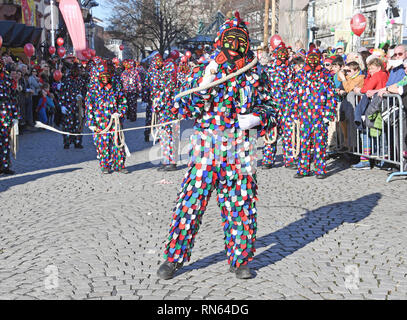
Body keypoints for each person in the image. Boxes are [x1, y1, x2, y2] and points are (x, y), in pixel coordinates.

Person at [157, 11, 276, 280]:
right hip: (206, 148)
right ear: (220, 41)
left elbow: (272, 106)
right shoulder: (204, 68)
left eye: (240, 40)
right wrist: (204, 83)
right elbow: (181, 104)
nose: (234, 46)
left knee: (241, 204)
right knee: (190, 203)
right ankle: (174, 257)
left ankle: (240, 258)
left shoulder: (256, 72)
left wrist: (258, 117)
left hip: (240, 148)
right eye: (229, 40)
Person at [290, 49, 338, 179]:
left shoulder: (326, 74)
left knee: (320, 143)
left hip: (320, 115)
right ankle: (303, 169)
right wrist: (294, 111)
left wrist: (328, 114)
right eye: (310, 58)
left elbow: (331, 95)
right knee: (304, 142)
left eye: (314, 58)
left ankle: (320, 169)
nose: (312, 61)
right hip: (304, 114)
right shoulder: (301, 74)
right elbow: (295, 94)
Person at [85, 58, 128, 174]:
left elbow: (122, 101)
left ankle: (119, 165)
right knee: (102, 144)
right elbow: (89, 106)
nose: (105, 79)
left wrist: (120, 112)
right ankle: (105, 165)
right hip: (100, 121)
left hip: (115, 120)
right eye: (102, 76)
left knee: (117, 143)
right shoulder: (93, 88)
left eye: (107, 76)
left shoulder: (116, 85)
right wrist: (91, 123)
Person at [261, 42, 296, 169]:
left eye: (284, 54)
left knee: (288, 132)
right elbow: (263, 87)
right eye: (280, 54)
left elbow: (294, 86)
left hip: (287, 105)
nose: (283, 56)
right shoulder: (269, 69)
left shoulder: (290, 69)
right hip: (272, 105)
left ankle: (290, 159)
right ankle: (268, 159)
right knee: (271, 131)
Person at [352, 58, 389, 170]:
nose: (370, 71)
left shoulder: (378, 75)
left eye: (372, 69)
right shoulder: (382, 74)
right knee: (379, 131)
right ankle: (381, 160)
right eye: (369, 69)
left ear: (378, 68)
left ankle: (367, 160)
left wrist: (359, 90)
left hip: (375, 107)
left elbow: (366, 88)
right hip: (379, 105)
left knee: (368, 131)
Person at [60, 63, 87, 149]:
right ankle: (67, 142)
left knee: (78, 124)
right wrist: (62, 105)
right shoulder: (66, 80)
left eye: (77, 70)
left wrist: (82, 96)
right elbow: (61, 92)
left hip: (78, 106)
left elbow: (85, 91)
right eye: (74, 70)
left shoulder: (81, 80)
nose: (76, 72)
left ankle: (77, 142)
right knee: (67, 124)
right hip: (68, 106)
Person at [0, 58, 19, 175]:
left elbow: (13, 98)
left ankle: (5, 165)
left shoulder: (7, 80)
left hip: (6, 113)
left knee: (5, 140)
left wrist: (15, 115)